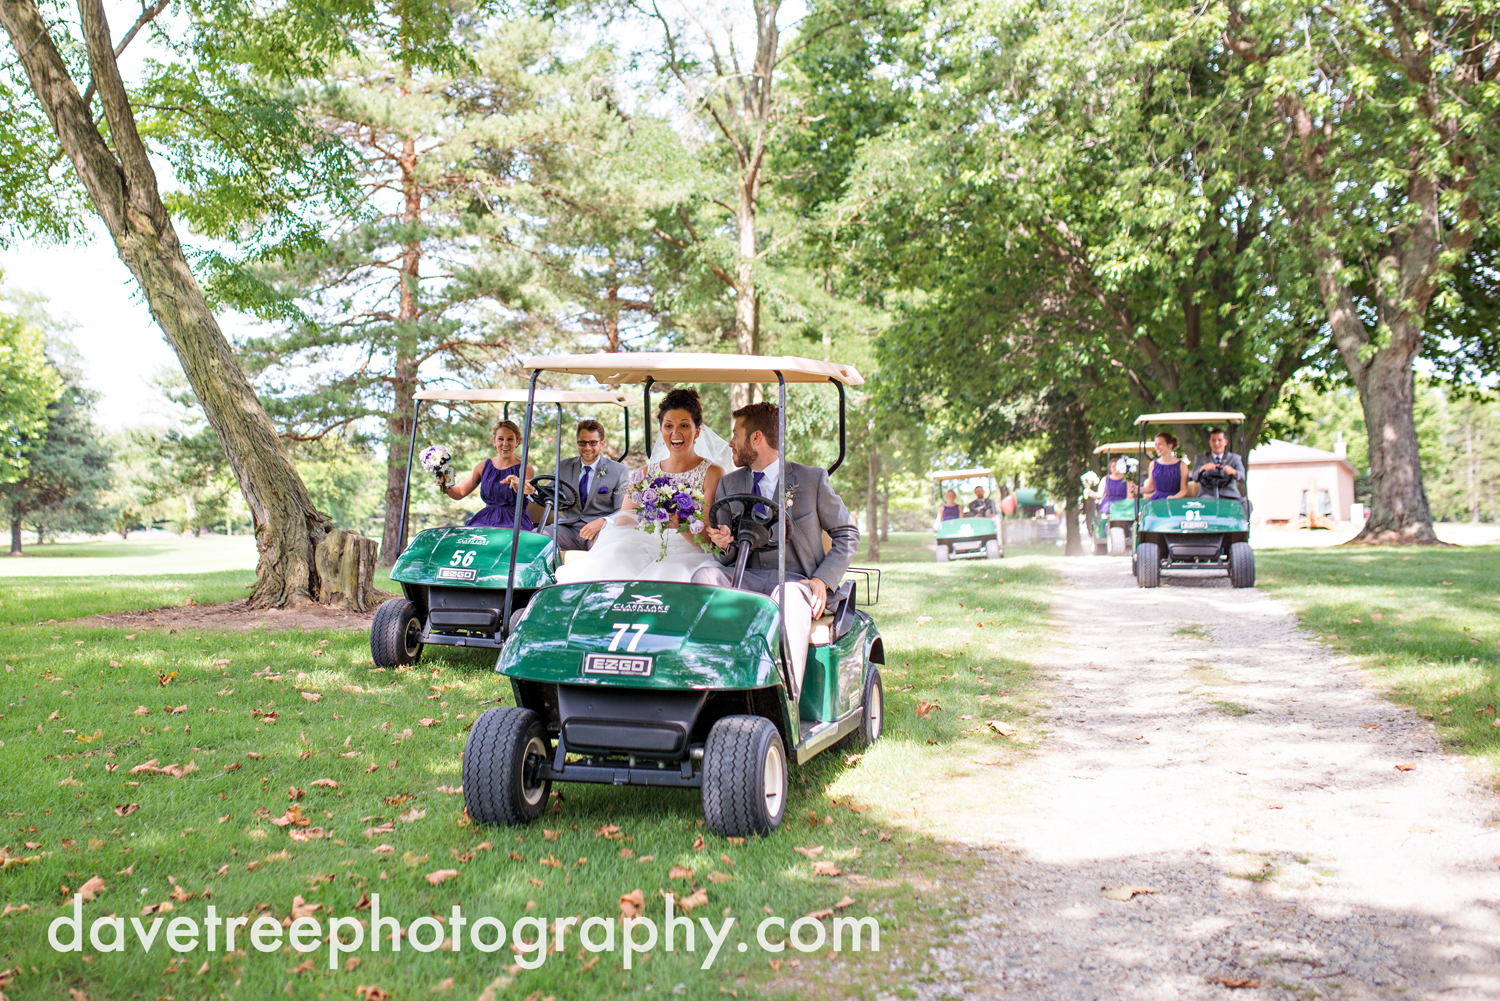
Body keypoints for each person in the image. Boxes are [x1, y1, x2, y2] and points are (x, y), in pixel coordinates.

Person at [697, 403, 859, 692]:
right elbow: (724, 555)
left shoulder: (811, 480)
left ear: (757, 438)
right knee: (704, 576)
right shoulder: (728, 484)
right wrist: (722, 542)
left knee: (788, 595)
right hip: (746, 575)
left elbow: (847, 534)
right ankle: (711, 678)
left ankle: (786, 692)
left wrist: (822, 580)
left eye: (736, 434)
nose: (730, 442)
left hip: (797, 580)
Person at [553, 389, 726, 584]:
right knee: (616, 559)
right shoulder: (644, 474)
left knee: (666, 572)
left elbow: (707, 539)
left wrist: (680, 523)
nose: (675, 433)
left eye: (684, 425)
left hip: (689, 552)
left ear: (697, 432)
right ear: (661, 430)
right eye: (668, 426)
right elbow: (623, 525)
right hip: (644, 545)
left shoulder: (712, 474)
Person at [544, 420, 628, 551]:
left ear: (602, 443)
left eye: (593, 443)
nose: (587, 447)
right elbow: (548, 493)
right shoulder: (563, 466)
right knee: (538, 537)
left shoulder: (619, 471)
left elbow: (622, 510)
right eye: (582, 442)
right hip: (567, 529)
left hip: (599, 531)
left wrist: (603, 522)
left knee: (603, 547)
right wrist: (530, 490)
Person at [443, 418, 535, 528]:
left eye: (510, 439)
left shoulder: (525, 468)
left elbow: (527, 488)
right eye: (500, 439)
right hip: (486, 519)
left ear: (517, 441)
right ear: (494, 441)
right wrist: (446, 485)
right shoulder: (483, 466)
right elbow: (459, 493)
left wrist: (518, 485)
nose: (505, 444)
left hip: (515, 521)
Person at [1191, 427, 1246, 500]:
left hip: (1230, 495)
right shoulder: (1201, 458)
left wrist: (1233, 472)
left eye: (1220, 440)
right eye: (1213, 440)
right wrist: (1203, 468)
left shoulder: (1234, 458)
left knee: (1246, 504)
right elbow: (1194, 477)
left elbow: (1243, 477)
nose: (1216, 443)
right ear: (1210, 442)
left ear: (1225, 442)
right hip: (1208, 495)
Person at [1146, 432, 1192, 500]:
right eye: (1156, 445)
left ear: (1170, 445)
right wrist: (1136, 489)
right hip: (1157, 499)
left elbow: (1184, 489)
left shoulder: (1182, 465)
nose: (1156, 448)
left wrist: (1174, 497)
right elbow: (1150, 487)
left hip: (1174, 500)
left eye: (1160, 444)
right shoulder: (1153, 464)